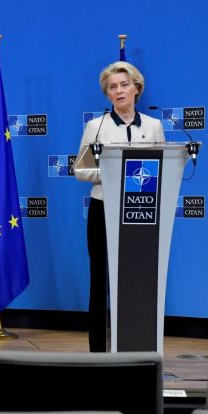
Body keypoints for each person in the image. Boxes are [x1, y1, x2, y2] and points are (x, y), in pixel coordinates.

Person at [74, 61, 165, 352]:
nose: (119, 90)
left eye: (124, 84)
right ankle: (97, 353)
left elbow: (163, 167)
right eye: (112, 87)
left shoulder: (154, 126)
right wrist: (113, 174)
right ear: (107, 94)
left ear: (137, 88)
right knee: (99, 280)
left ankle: (136, 348)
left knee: (137, 281)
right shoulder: (96, 126)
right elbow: (81, 170)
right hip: (103, 209)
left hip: (140, 212)